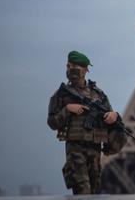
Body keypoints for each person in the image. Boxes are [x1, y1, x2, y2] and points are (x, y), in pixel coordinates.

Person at [47, 51, 119, 194]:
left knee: (94, 190)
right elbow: (52, 123)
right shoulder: (61, 94)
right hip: (75, 150)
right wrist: (68, 109)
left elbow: (109, 115)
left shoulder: (99, 94)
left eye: (75, 66)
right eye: (68, 65)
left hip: (95, 149)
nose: (70, 69)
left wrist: (113, 116)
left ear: (86, 70)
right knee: (82, 190)